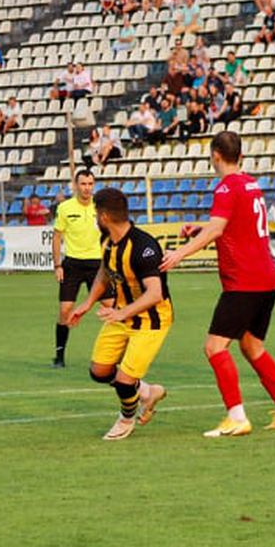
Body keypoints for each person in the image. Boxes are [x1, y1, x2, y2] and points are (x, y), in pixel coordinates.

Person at [161, 131, 275, 438]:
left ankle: (236, 417)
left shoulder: (225, 187)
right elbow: (236, 226)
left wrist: (179, 254)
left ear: (215, 155)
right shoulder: (251, 184)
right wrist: (202, 228)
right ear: (240, 154)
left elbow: (217, 230)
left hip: (244, 281)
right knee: (252, 346)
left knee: (214, 347)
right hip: (266, 277)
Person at [68, 189, 173, 441]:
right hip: (122, 315)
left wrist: (120, 312)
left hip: (152, 320)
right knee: (100, 371)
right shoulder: (108, 242)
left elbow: (155, 293)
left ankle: (126, 419)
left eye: (95, 214)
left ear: (104, 216)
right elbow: (105, 272)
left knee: (125, 381)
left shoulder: (143, 247)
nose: (94, 218)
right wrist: (88, 302)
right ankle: (147, 392)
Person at [51, 170, 101, 368]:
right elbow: (56, 236)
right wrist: (57, 265)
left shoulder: (100, 206)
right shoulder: (65, 208)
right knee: (65, 310)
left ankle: (115, 356)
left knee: (110, 308)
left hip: (98, 265)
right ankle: (59, 356)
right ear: (75, 185)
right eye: (83, 184)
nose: (87, 188)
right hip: (72, 264)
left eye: (90, 184)